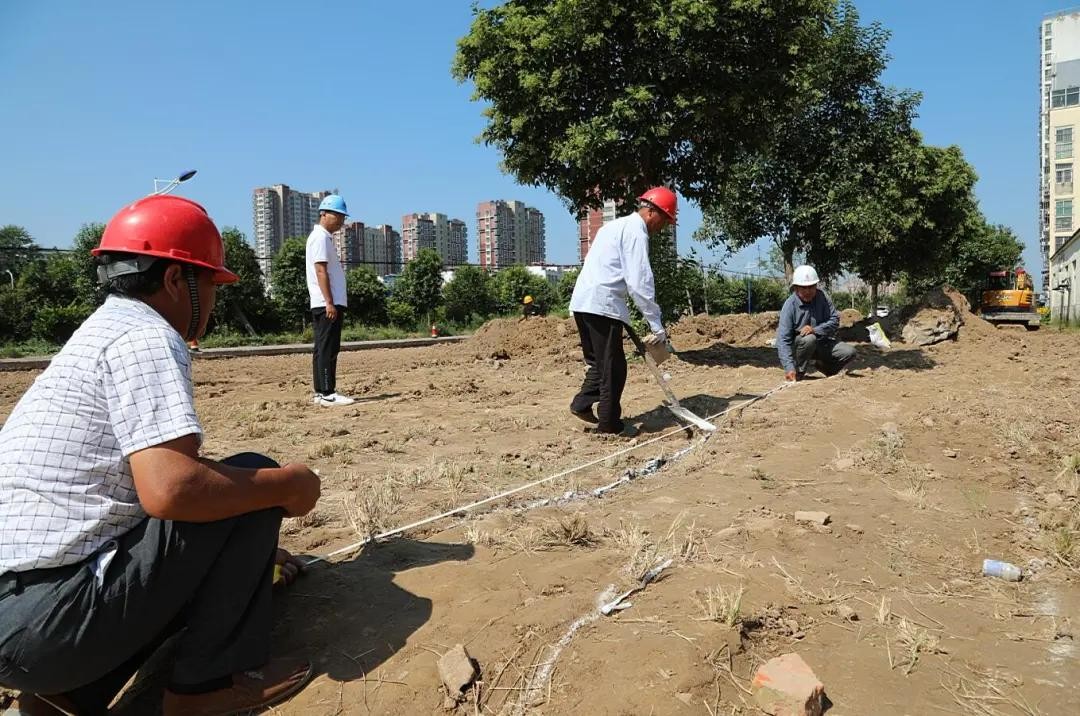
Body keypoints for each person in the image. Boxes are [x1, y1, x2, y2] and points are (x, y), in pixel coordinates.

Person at [0, 195, 321, 716]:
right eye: (211, 285)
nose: (213, 301)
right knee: (251, 475)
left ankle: (67, 693)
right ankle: (208, 685)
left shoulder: (99, 332)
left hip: (22, 615)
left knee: (223, 493)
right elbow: (174, 490)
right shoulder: (147, 335)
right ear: (176, 280)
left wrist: (247, 556)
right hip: (46, 623)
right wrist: (289, 485)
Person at [568, 187, 677, 437]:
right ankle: (609, 425)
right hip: (602, 305)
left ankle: (582, 404)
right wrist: (656, 325)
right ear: (652, 212)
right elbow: (639, 282)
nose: (663, 227)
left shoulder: (614, 227)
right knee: (613, 369)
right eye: (664, 220)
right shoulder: (636, 232)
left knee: (599, 363)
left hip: (584, 302)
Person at [306, 194, 354, 407]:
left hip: (323, 302)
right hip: (327, 303)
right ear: (324, 214)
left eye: (343, 217)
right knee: (328, 348)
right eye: (339, 216)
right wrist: (329, 302)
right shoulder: (321, 238)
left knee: (321, 348)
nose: (341, 221)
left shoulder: (320, 237)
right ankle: (328, 392)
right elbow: (321, 270)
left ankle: (320, 392)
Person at [776, 265, 856, 381]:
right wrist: (789, 367)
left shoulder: (823, 297)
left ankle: (827, 369)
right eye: (804, 288)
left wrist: (815, 330)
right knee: (809, 339)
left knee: (849, 352)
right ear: (796, 288)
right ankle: (798, 373)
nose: (808, 291)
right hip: (799, 347)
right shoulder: (790, 305)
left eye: (811, 287)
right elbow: (783, 340)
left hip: (821, 343)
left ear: (816, 286)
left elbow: (834, 320)